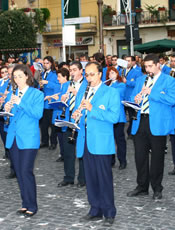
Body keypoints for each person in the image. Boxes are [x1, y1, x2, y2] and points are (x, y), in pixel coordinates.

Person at [71, 62, 120, 227]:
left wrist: (92, 108)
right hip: (85, 140)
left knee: (104, 178)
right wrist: (75, 115)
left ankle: (109, 211)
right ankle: (95, 209)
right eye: (86, 75)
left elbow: (114, 117)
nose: (88, 78)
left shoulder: (111, 92)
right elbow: (76, 114)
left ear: (100, 74)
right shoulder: (82, 92)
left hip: (101, 142)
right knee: (90, 178)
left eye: (92, 74)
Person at [127, 54, 175, 200]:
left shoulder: (169, 80)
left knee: (157, 157)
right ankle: (142, 186)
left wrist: (152, 93)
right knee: (140, 157)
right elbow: (132, 98)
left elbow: (172, 100)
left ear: (158, 65)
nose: (147, 69)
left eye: (150, 66)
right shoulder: (141, 80)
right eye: (145, 66)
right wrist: (135, 99)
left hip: (158, 123)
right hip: (140, 121)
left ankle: (157, 188)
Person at [4, 64, 44, 217]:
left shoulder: (36, 94)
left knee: (26, 171)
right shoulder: (12, 93)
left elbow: (37, 114)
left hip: (28, 137)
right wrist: (7, 109)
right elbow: (11, 115)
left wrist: (20, 103)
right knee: (19, 172)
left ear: (27, 76)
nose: (17, 79)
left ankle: (32, 205)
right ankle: (24, 203)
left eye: (20, 76)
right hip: (13, 137)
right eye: (15, 77)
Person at [52, 68, 86, 187]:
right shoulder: (66, 84)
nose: (72, 72)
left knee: (82, 150)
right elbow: (63, 100)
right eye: (70, 70)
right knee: (67, 151)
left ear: (81, 71)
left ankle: (83, 178)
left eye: (74, 70)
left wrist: (76, 94)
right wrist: (63, 99)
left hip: (81, 119)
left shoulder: (87, 83)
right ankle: (68, 177)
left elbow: (88, 101)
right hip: (68, 118)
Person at [106, 67, 127, 170]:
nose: (111, 75)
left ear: (117, 74)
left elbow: (116, 94)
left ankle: (122, 160)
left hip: (119, 116)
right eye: (109, 74)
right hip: (107, 116)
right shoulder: (106, 85)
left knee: (119, 139)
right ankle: (111, 160)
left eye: (113, 73)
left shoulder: (121, 85)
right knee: (109, 139)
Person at [39, 56, 60, 150]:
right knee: (43, 125)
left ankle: (53, 142)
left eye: (47, 63)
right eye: (44, 63)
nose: (45, 64)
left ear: (51, 63)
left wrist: (47, 82)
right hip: (44, 102)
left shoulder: (55, 74)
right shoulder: (43, 73)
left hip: (52, 101)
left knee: (53, 125)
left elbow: (58, 86)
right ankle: (44, 141)